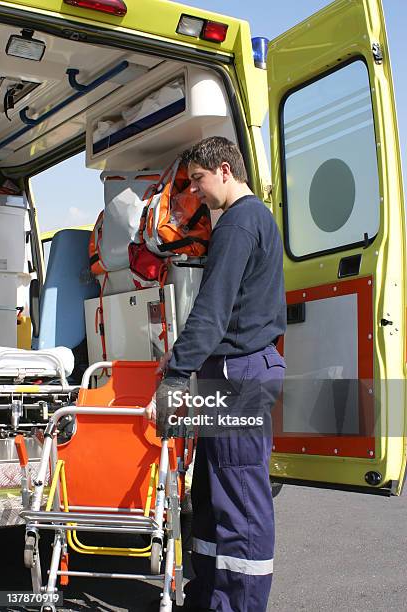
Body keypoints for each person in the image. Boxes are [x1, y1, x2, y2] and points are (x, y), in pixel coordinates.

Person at [149, 136, 287, 612]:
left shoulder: (237, 224)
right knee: (210, 495)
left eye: (200, 180)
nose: (198, 193)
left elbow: (211, 311)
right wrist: (183, 362)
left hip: (237, 376)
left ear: (224, 170)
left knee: (239, 501)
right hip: (234, 372)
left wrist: (175, 372)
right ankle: (206, 597)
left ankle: (239, 605)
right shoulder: (254, 221)